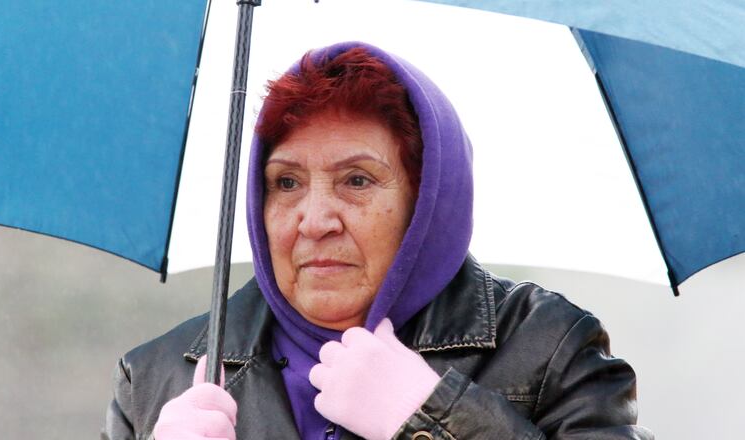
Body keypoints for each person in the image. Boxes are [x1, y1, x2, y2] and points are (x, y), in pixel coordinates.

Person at [102, 42, 653, 440]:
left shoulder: (548, 349)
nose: (314, 221)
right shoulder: (157, 379)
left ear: (428, 201)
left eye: (357, 180)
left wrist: (428, 419)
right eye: (286, 183)